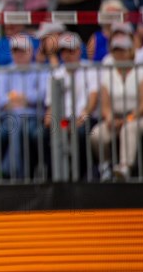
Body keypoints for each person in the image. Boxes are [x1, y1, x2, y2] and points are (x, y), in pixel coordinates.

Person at [90, 35, 143, 181]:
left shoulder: (142, 71)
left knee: (129, 128)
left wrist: (129, 118)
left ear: (130, 52)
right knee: (96, 134)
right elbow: (105, 104)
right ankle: (105, 167)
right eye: (116, 51)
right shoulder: (109, 74)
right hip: (116, 118)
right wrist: (110, 118)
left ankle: (125, 168)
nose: (119, 55)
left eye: (123, 51)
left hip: (141, 117)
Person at [0, 34, 48, 179]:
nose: (19, 54)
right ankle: (16, 172)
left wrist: (19, 98)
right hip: (8, 117)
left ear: (31, 51)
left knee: (30, 131)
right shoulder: (4, 70)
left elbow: (43, 94)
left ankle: (12, 172)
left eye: (23, 50)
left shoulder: (41, 69)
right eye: (16, 51)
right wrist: (22, 99)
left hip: (34, 117)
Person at [44, 32, 99, 180]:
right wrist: (50, 120)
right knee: (44, 134)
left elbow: (93, 100)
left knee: (80, 133)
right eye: (63, 50)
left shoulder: (90, 69)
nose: (67, 54)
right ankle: (52, 180)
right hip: (63, 120)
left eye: (71, 50)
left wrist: (82, 118)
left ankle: (79, 178)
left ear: (79, 51)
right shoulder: (56, 73)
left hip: (84, 118)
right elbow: (50, 106)